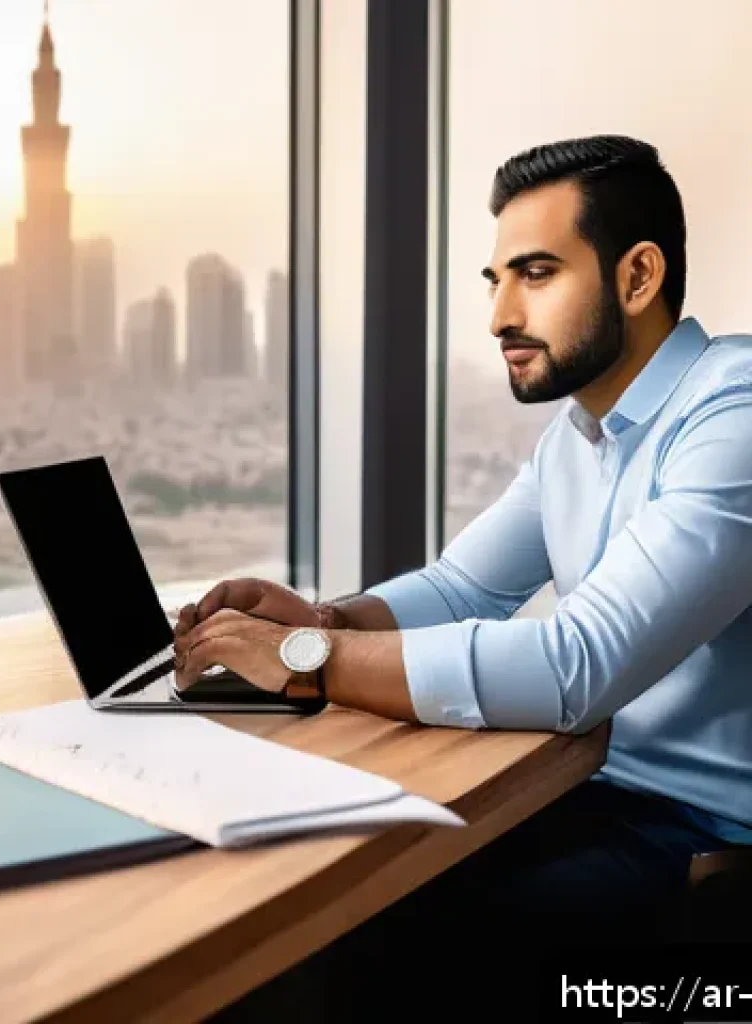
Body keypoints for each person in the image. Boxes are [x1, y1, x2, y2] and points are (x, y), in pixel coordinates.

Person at [173, 135, 752, 1016]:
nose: (499, 317)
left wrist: (303, 654)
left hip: (706, 840)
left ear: (637, 278)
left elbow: (575, 668)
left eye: (538, 273)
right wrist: (323, 616)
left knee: (374, 941)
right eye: (497, 282)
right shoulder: (579, 437)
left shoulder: (733, 414)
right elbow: (462, 590)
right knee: (316, 884)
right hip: (589, 789)